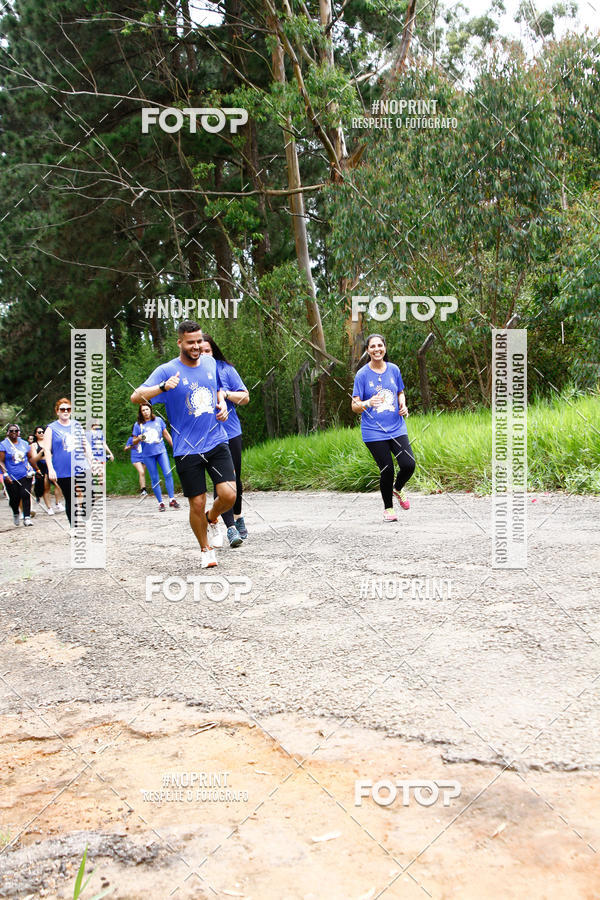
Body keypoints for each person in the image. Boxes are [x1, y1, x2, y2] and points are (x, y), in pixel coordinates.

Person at [130, 320, 236, 568]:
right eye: (191, 342)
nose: (196, 346)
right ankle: (205, 549)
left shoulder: (210, 362)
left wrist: (222, 406)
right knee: (196, 502)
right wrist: (161, 387)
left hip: (215, 440)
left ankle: (213, 517)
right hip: (186, 448)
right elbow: (136, 396)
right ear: (179, 343)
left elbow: (217, 389)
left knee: (229, 495)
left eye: (199, 341)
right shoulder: (167, 370)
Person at [352, 334, 416, 522]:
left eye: (380, 345)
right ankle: (388, 509)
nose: (377, 349)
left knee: (408, 464)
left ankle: (397, 488)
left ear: (385, 348)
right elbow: (355, 406)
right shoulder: (362, 375)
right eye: (372, 346)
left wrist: (403, 405)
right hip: (373, 431)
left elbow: (400, 392)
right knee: (387, 468)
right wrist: (368, 402)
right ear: (367, 351)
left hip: (397, 427)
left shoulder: (394, 369)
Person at [200, 334, 249, 548]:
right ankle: (229, 528)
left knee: (235, 479)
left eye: (207, 351)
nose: (203, 355)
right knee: (221, 481)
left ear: (214, 351)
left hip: (231, 431)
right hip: (209, 435)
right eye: (199, 351)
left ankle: (237, 516)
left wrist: (226, 394)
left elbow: (245, 397)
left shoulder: (226, 369)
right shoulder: (191, 373)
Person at [42, 397, 89, 526]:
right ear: (57, 411)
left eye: (68, 409)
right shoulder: (51, 428)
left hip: (80, 465)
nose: (65, 411)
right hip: (62, 469)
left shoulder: (77, 425)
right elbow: (46, 450)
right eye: (62, 409)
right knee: (70, 498)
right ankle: (73, 526)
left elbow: (85, 444)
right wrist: (50, 469)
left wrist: (92, 460)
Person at [132, 404, 179, 511]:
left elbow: (166, 434)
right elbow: (133, 441)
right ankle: (161, 502)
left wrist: (175, 448)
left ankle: (172, 499)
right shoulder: (138, 425)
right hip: (148, 455)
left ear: (150, 410)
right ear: (141, 412)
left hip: (161, 451)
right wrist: (138, 438)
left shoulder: (158, 420)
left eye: (147, 409)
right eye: (143, 410)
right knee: (155, 478)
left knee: (168, 473)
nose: (145, 412)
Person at [0, 424, 38, 526]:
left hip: (25, 474)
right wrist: (5, 473)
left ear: (19, 432)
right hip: (11, 476)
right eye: (11, 431)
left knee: (25, 494)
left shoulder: (24, 444)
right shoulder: (3, 445)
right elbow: (1, 461)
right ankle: (16, 512)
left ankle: (27, 517)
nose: (14, 433)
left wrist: (37, 469)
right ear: (7, 432)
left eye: (16, 431)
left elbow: (30, 458)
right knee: (14, 498)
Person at [124, 429, 147, 495]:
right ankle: (143, 490)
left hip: (143, 457)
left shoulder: (143, 437)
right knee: (141, 472)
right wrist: (130, 446)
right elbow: (125, 448)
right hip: (135, 458)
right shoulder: (131, 439)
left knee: (142, 474)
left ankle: (143, 489)